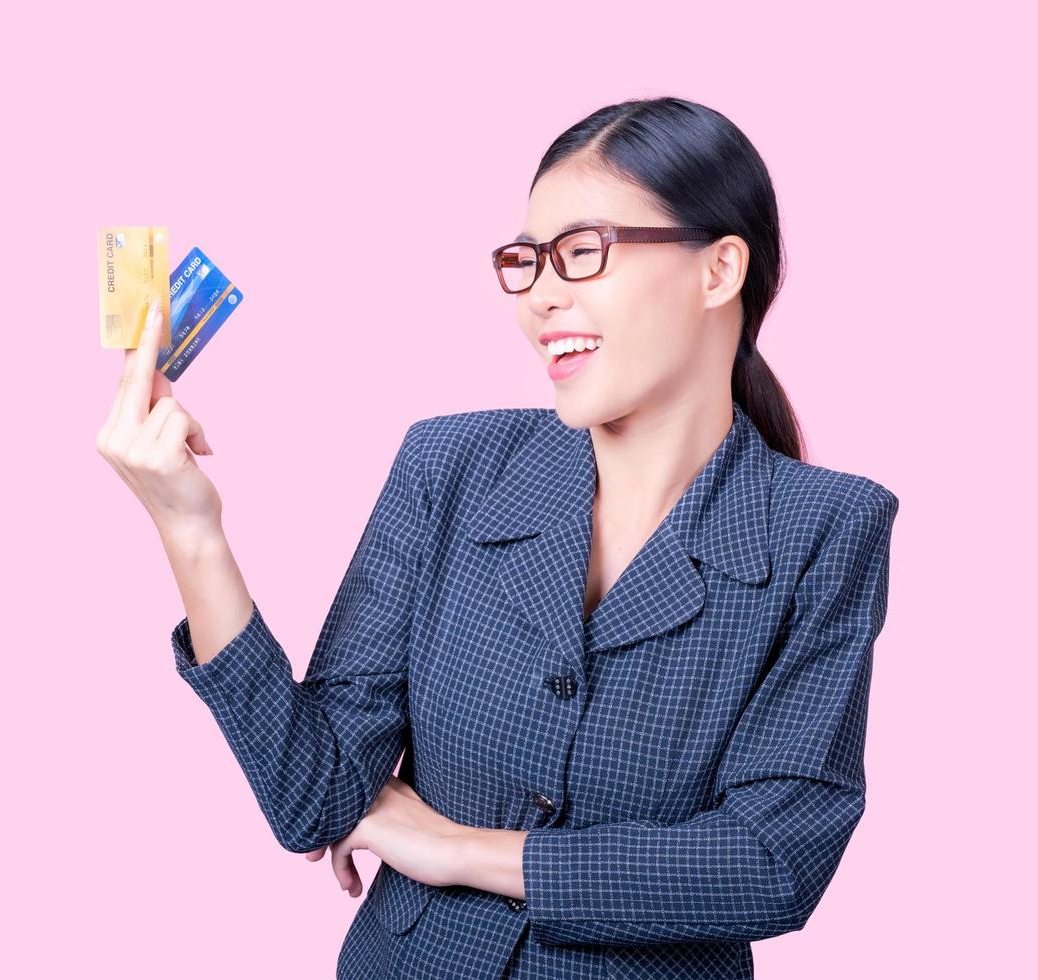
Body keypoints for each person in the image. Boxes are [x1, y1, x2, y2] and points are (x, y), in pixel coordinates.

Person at [97, 96, 899, 980]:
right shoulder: (451, 465)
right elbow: (315, 795)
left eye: (582, 253)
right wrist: (191, 529)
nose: (541, 296)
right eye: (525, 262)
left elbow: (771, 864)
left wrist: (462, 850)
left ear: (718, 271)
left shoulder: (826, 528)